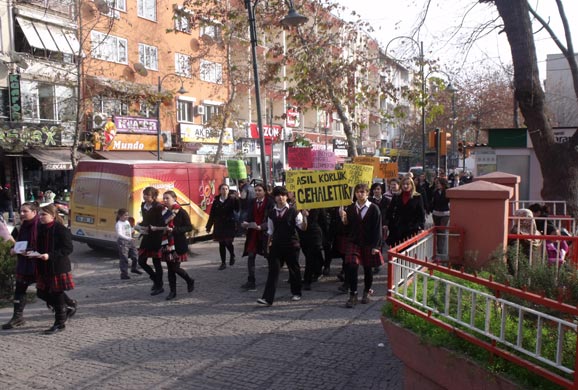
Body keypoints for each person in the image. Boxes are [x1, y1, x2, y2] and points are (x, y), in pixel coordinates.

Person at [257, 186, 308, 306]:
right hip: (277, 245)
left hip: (291, 244)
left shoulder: (294, 211)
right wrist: (268, 245)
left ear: (286, 197)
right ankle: (267, 298)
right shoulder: (271, 213)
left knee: (294, 269)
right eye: (278, 195)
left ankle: (297, 292)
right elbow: (270, 230)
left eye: (283, 195)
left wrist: (305, 216)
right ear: (274, 198)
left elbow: (303, 227)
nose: (280, 198)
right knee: (273, 270)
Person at [339, 183, 384, 308]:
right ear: (355, 194)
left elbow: (377, 229)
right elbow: (348, 228)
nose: (360, 194)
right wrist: (344, 220)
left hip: (369, 243)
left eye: (363, 192)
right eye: (358, 192)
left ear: (367, 193)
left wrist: (376, 246)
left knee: (367, 269)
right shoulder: (351, 208)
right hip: (354, 242)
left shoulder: (374, 208)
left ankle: (367, 291)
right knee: (352, 266)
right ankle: (353, 294)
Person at [34, 204, 76, 334]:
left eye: (44, 214)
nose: (41, 217)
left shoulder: (60, 229)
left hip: (57, 266)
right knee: (41, 292)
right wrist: (30, 252)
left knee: (57, 294)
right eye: (40, 214)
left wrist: (50, 255)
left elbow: (68, 248)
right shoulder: (40, 228)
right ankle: (69, 305)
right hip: (43, 266)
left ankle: (60, 323)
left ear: (52, 216)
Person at [157, 191, 195, 300]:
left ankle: (189, 280)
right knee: (170, 269)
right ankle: (172, 292)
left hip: (178, 244)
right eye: (164, 198)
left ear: (174, 198)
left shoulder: (181, 211)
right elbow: (161, 225)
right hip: (166, 244)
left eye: (167, 198)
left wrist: (175, 230)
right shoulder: (163, 212)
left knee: (175, 268)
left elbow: (188, 227)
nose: (164, 200)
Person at [240, 183, 273, 291]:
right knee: (251, 255)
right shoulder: (252, 202)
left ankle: (272, 279)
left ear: (264, 191)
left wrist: (262, 226)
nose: (257, 192)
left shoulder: (270, 203)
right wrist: (246, 223)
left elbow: (271, 219)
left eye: (260, 190)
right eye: (256, 190)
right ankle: (251, 280)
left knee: (269, 256)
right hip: (253, 233)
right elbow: (250, 215)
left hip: (265, 233)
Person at [136, 186, 165, 296]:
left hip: (156, 237)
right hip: (147, 236)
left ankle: (159, 286)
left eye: (147, 195)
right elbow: (145, 220)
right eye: (144, 194)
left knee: (156, 262)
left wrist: (155, 228)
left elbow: (163, 223)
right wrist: (139, 226)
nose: (144, 197)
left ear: (153, 196)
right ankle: (155, 280)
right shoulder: (143, 205)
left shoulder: (158, 207)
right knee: (141, 261)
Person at [206, 183, 239, 270]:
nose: (224, 191)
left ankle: (232, 255)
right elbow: (212, 214)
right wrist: (208, 226)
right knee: (221, 244)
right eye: (223, 189)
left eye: (226, 189)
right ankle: (223, 263)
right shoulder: (216, 201)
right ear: (219, 191)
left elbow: (237, 209)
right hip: (219, 225)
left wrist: (237, 199)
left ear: (228, 190)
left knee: (228, 242)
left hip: (229, 225)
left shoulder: (232, 200)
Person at [386, 176, 426, 247]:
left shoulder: (417, 197)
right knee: (397, 249)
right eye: (403, 184)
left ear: (412, 185)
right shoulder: (396, 196)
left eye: (407, 184)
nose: (405, 186)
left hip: (411, 228)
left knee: (408, 250)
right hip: (397, 228)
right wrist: (387, 224)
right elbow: (390, 211)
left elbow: (421, 213)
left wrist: (421, 227)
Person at [115, 208, 142, 280]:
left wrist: (136, 228)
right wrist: (128, 238)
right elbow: (119, 234)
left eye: (127, 215)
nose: (127, 216)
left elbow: (129, 230)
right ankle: (124, 274)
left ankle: (134, 268)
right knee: (124, 258)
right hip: (123, 242)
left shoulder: (127, 222)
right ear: (120, 216)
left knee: (135, 255)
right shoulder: (118, 224)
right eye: (125, 215)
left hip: (130, 241)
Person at [430, 177, 450, 256]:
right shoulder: (435, 192)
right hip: (436, 213)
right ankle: (438, 249)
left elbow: (448, 201)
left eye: (439, 183)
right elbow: (433, 202)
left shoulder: (447, 192)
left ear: (443, 184)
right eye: (436, 183)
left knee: (442, 230)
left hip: (445, 213)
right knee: (437, 231)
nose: (437, 185)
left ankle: (442, 251)